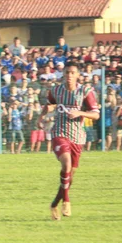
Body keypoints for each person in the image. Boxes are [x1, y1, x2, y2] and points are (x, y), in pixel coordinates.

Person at [38, 62, 100, 220]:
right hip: (59, 132)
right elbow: (49, 105)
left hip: (77, 137)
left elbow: (95, 114)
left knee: (69, 176)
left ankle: (54, 204)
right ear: (63, 74)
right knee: (66, 164)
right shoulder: (57, 90)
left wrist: (79, 112)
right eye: (67, 72)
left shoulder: (85, 91)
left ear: (78, 75)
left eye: (73, 73)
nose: (69, 76)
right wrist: (42, 116)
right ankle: (66, 200)